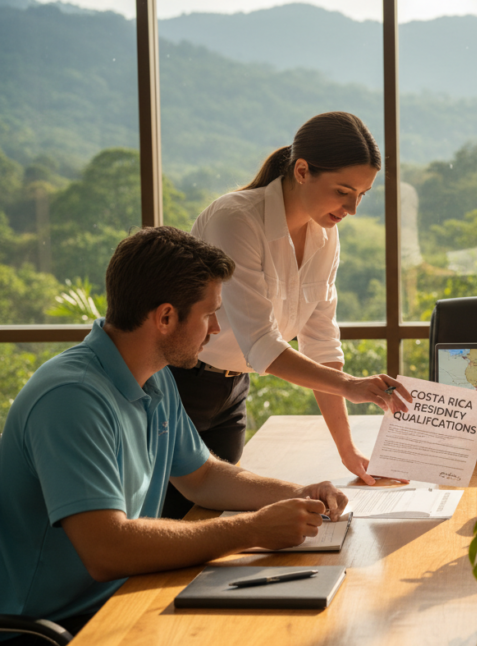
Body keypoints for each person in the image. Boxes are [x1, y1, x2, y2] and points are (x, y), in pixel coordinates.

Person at [0, 227, 348, 640]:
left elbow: (202, 477)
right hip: (59, 628)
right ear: (165, 317)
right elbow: (107, 550)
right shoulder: (71, 398)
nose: (217, 328)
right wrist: (252, 529)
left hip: (128, 594)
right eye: (209, 313)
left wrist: (296, 494)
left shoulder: (155, 375)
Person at [165, 111, 412, 517]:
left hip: (231, 392)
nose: (352, 208)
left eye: (362, 195)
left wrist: (348, 451)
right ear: (301, 170)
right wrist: (351, 385)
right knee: (169, 523)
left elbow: (321, 343)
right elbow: (261, 344)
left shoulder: (325, 235)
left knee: (211, 517)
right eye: (342, 191)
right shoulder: (236, 218)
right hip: (177, 387)